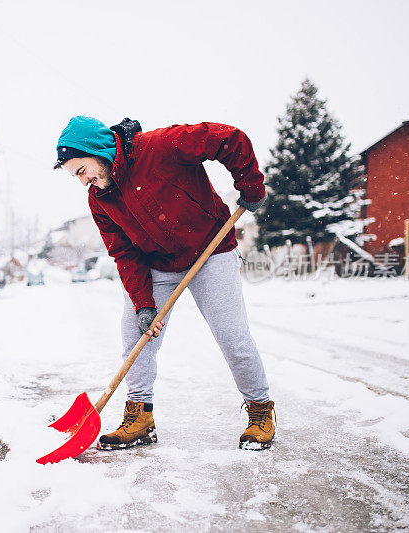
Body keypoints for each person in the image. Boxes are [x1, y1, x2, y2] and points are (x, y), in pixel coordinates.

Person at [54, 116, 275, 451]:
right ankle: (140, 417)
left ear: (97, 151)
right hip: (157, 264)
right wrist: (143, 302)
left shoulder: (160, 147)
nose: (85, 181)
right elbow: (124, 253)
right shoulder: (99, 199)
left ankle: (260, 410)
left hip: (211, 248)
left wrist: (251, 185)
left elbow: (228, 138)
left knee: (231, 334)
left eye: (82, 170)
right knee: (135, 335)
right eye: (77, 177)